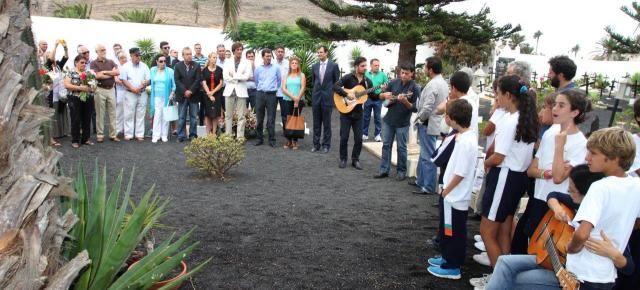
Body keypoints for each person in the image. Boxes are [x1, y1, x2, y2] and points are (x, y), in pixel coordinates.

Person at [484, 164, 621, 290]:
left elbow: (629, 267)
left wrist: (614, 254)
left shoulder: (605, 224)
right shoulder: (575, 202)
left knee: (514, 279)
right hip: (554, 259)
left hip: (569, 274)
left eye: (572, 190)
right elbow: (553, 195)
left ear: (586, 195)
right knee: (504, 262)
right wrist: (556, 208)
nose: (568, 191)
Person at [511, 89, 589, 255]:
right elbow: (532, 170)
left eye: (561, 106)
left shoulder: (580, 143)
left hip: (557, 204)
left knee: (543, 250)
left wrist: (560, 147)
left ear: (574, 112)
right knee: (527, 242)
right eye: (555, 104)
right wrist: (546, 173)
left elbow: (559, 177)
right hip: (538, 197)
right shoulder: (551, 132)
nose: (554, 109)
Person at [477, 75, 538, 274]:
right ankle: (508, 276)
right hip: (517, 179)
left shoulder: (511, 121)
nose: (497, 98)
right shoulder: (525, 117)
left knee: (487, 232)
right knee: (504, 230)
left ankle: (499, 279)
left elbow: (498, 157)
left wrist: (482, 164)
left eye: (499, 94)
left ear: (509, 95)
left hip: (504, 177)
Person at [565, 127, 640, 290]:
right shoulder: (636, 185)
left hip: (582, 273)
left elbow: (583, 233)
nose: (587, 157)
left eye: (593, 153)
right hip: (606, 276)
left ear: (614, 158)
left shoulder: (600, 187)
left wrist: (570, 248)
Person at [427, 98, 478, 280]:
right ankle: (447, 257)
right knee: (449, 229)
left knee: (453, 231)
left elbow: (461, 172)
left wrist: (447, 189)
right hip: (453, 195)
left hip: (455, 196)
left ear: (452, 119)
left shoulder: (465, 142)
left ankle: (452, 265)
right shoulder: (465, 137)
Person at [374, 63, 420, 180]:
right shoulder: (393, 83)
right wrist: (385, 95)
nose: (404, 75)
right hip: (389, 120)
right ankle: (384, 169)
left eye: (407, 73)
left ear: (412, 74)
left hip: (403, 122)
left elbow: (415, 108)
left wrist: (405, 102)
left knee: (401, 148)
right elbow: (380, 97)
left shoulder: (414, 88)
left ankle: (401, 171)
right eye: (402, 73)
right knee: (386, 145)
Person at [411, 56, 448, 194]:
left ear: (430, 69)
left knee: (428, 156)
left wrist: (419, 119)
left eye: (425, 66)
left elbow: (427, 107)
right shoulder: (442, 82)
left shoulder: (433, 84)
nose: (424, 69)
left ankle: (428, 186)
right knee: (424, 154)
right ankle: (421, 180)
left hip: (428, 123)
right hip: (433, 122)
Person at [333, 56, 374, 170]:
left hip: (358, 114)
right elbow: (335, 86)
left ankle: (355, 159)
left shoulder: (368, 82)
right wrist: (346, 94)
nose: (365, 68)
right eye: (362, 66)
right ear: (356, 67)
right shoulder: (348, 78)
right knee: (344, 137)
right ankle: (343, 159)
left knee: (359, 139)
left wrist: (382, 95)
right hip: (345, 113)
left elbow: (373, 95)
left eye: (366, 66)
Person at [311, 45, 340, 153]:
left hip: (328, 98)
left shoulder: (334, 65)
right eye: (318, 52)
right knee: (316, 123)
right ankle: (316, 144)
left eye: (321, 52)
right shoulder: (314, 66)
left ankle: (326, 145)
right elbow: (314, 82)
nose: (319, 54)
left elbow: (337, 83)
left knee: (327, 123)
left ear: (326, 53)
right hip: (316, 97)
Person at [64, 55, 96, 148]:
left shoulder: (89, 73)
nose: (84, 64)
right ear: (76, 62)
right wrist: (80, 88)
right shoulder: (70, 72)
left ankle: (85, 139)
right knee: (75, 118)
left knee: (87, 118)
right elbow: (66, 85)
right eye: (82, 62)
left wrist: (92, 88)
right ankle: (75, 140)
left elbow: (94, 86)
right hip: (75, 98)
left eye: (85, 63)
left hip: (88, 98)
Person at [90, 44, 120, 143]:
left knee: (113, 113)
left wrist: (104, 72)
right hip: (100, 89)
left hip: (111, 89)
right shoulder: (93, 63)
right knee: (100, 113)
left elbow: (117, 72)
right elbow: (97, 76)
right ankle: (100, 134)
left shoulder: (111, 62)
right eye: (101, 50)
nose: (104, 51)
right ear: (97, 51)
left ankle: (113, 134)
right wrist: (110, 74)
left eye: (104, 49)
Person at [119, 47, 150, 141]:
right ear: (131, 55)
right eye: (136, 55)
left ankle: (139, 134)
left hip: (142, 92)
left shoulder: (144, 66)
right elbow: (123, 79)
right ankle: (128, 134)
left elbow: (149, 79)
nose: (138, 57)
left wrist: (144, 84)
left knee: (141, 113)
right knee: (129, 113)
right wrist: (133, 89)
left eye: (139, 55)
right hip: (130, 93)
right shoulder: (125, 66)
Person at [223, 42, 252, 141]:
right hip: (229, 91)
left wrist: (234, 77)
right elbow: (225, 77)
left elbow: (247, 76)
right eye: (237, 50)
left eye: (241, 49)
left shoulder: (247, 62)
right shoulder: (227, 61)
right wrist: (238, 78)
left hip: (242, 91)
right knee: (228, 115)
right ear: (233, 51)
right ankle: (228, 136)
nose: (239, 51)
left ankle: (240, 137)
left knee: (241, 116)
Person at [254, 48, 282, 147]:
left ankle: (272, 140)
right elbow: (256, 81)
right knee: (259, 118)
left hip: (271, 95)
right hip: (260, 94)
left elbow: (279, 81)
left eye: (270, 56)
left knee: (271, 119)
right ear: (262, 57)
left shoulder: (276, 68)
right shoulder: (258, 69)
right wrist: (261, 89)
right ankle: (259, 139)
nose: (269, 58)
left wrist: (272, 89)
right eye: (267, 56)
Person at [44, 39, 70, 144]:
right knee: (53, 114)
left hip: (60, 93)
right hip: (51, 94)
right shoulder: (46, 67)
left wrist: (65, 47)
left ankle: (62, 132)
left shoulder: (58, 66)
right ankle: (52, 134)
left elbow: (66, 57)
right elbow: (50, 59)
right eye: (51, 56)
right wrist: (55, 46)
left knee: (61, 112)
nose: (53, 58)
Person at [174, 47, 202, 142]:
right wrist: (185, 91)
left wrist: (190, 91)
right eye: (187, 54)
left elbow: (198, 80)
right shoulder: (178, 66)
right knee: (181, 117)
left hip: (193, 95)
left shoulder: (196, 65)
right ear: (183, 56)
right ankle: (181, 135)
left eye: (190, 54)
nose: (189, 56)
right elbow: (177, 80)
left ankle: (192, 135)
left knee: (193, 117)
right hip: (182, 96)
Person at [149, 54, 176, 143]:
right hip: (155, 96)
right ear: (156, 62)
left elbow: (174, 85)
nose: (163, 63)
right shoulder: (153, 70)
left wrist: (172, 93)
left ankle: (164, 135)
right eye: (161, 61)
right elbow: (150, 82)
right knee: (157, 115)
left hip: (166, 96)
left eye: (165, 61)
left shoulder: (170, 71)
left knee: (165, 115)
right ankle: (156, 135)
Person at [281, 56, 306, 150]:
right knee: (287, 120)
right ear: (290, 65)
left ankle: (295, 141)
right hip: (287, 99)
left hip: (299, 100)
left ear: (298, 65)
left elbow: (303, 87)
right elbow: (283, 88)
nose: (294, 64)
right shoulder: (286, 76)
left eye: (296, 63)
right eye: (292, 63)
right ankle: (288, 140)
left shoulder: (302, 75)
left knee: (295, 119)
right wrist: (293, 97)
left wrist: (297, 99)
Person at [363, 58, 389, 142]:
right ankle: (365, 134)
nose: (377, 67)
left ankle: (378, 135)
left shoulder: (383, 75)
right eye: (375, 65)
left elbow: (387, 85)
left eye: (378, 65)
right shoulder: (366, 74)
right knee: (366, 117)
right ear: (371, 66)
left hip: (378, 99)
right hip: (367, 98)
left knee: (377, 117)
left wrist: (384, 89)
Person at [200, 52, 224, 137]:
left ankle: (214, 134)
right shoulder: (204, 70)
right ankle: (207, 134)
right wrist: (209, 95)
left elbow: (221, 83)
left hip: (217, 94)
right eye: (213, 57)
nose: (215, 59)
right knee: (208, 114)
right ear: (209, 58)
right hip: (206, 95)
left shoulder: (220, 69)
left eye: (216, 58)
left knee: (215, 114)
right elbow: (204, 83)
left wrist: (213, 93)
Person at [114, 51, 128, 137]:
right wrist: (126, 83)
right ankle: (118, 129)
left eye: (125, 57)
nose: (124, 59)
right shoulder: (117, 67)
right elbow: (115, 79)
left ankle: (126, 129)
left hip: (129, 91)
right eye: (122, 58)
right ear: (118, 59)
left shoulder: (129, 67)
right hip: (120, 91)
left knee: (128, 111)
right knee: (119, 111)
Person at [274, 46, 289, 126]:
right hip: (273, 92)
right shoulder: (272, 63)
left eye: (282, 51)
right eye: (278, 51)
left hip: (284, 92)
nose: (280, 53)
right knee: (271, 113)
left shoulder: (288, 63)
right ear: (275, 52)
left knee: (285, 113)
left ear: (284, 53)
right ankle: (270, 131)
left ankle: (286, 130)